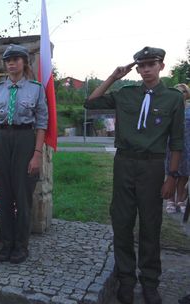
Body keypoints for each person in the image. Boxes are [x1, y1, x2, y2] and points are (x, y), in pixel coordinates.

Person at [85, 46, 184, 304]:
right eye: (141, 66)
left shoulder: (173, 98)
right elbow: (91, 103)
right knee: (122, 222)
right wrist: (113, 78)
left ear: (162, 66)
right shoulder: (125, 94)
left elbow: (176, 142)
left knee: (151, 225)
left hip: (152, 167)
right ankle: (126, 279)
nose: (145, 69)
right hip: (124, 164)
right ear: (136, 68)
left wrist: (172, 176)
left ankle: (150, 282)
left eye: (151, 64)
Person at [0, 44, 48, 264]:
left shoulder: (36, 89)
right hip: (1, 141)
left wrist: (37, 154)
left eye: (16, 60)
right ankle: (7, 243)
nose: (11, 64)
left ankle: (21, 245)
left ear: (24, 63)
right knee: (3, 197)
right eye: (8, 61)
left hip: (24, 140)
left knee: (22, 196)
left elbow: (41, 123)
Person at [165, 83, 190, 214]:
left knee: (184, 174)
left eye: (184, 92)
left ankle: (180, 201)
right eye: (178, 92)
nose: (181, 94)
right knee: (172, 172)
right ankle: (170, 200)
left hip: (187, 146)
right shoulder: (169, 108)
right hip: (171, 146)